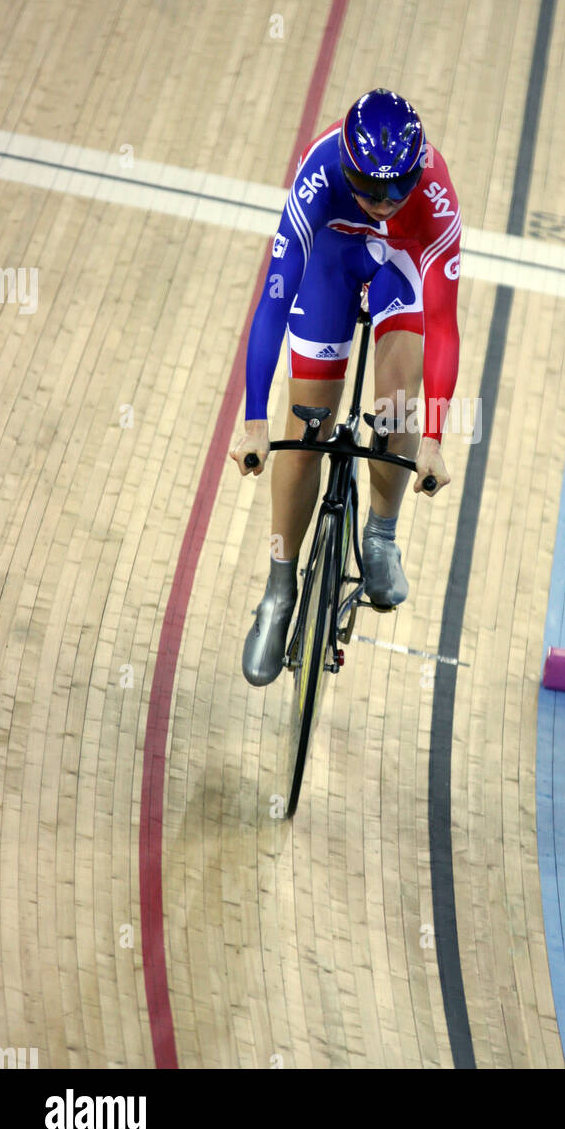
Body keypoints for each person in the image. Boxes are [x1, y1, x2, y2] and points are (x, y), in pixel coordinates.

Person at [230, 88, 461, 686]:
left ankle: (380, 535)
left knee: (395, 404)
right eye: (367, 186)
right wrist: (256, 418)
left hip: (400, 265)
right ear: (345, 162)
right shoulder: (317, 172)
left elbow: (444, 326)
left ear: (416, 171)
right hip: (332, 262)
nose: (382, 203)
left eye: (395, 189)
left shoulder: (435, 200)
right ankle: (279, 589)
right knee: (306, 422)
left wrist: (432, 437)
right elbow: (277, 293)